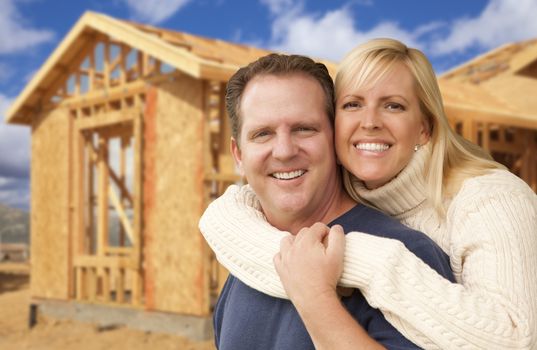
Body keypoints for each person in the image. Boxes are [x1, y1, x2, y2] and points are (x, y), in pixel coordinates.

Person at [199, 39, 537, 349]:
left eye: (305, 128)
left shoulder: (477, 209)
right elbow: (227, 216)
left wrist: (337, 279)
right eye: (262, 134)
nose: (285, 150)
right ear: (238, 155)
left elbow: (516, 339)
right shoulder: (248, 255)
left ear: (425, 127)